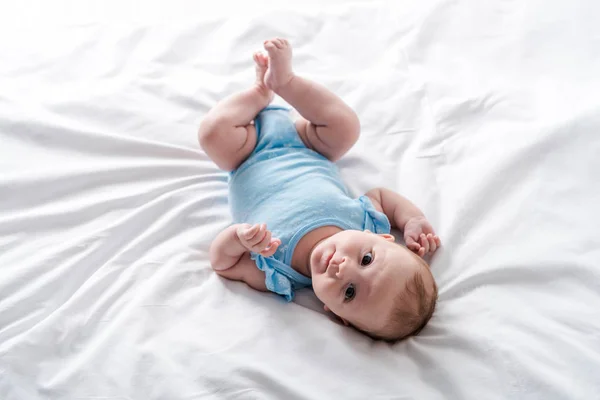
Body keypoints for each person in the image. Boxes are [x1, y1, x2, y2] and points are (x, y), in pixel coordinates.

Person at [199, 38, 441, 341]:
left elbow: (224, 263)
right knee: (346, 126)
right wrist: (412, 220)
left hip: (244, 153)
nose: (342, 268)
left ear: (335, 313)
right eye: (366, 259)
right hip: (308, 144)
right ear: (378, 236)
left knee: (212, 135)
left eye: (349, 292)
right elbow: (383, 196)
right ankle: (285, 82)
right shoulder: (362, 220)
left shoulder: (278, 273)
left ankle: (259, 94)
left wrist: (238, 239)